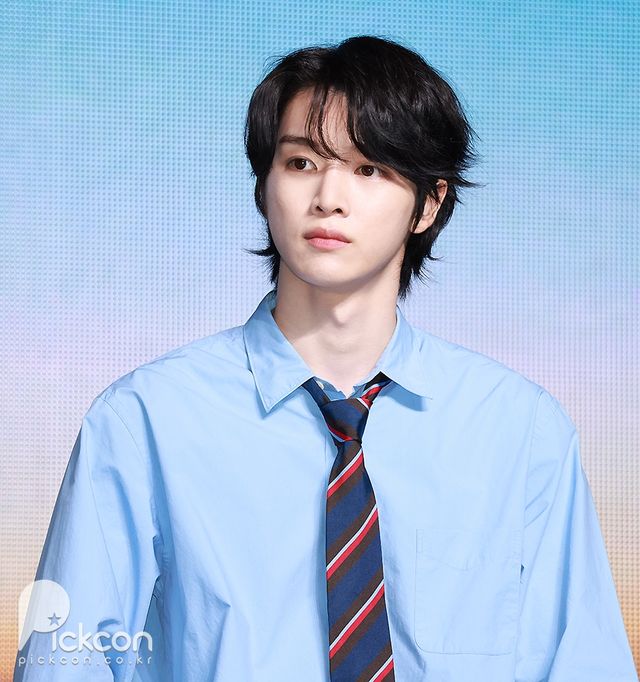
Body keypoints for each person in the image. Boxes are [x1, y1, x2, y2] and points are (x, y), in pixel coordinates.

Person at [15, 35, 637, 682]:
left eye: (369, 169)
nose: (329, 197)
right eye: (302, 162)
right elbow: (64, 666)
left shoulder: (521, 431)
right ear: (264, 187)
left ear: (429, 204)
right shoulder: (142, 423)